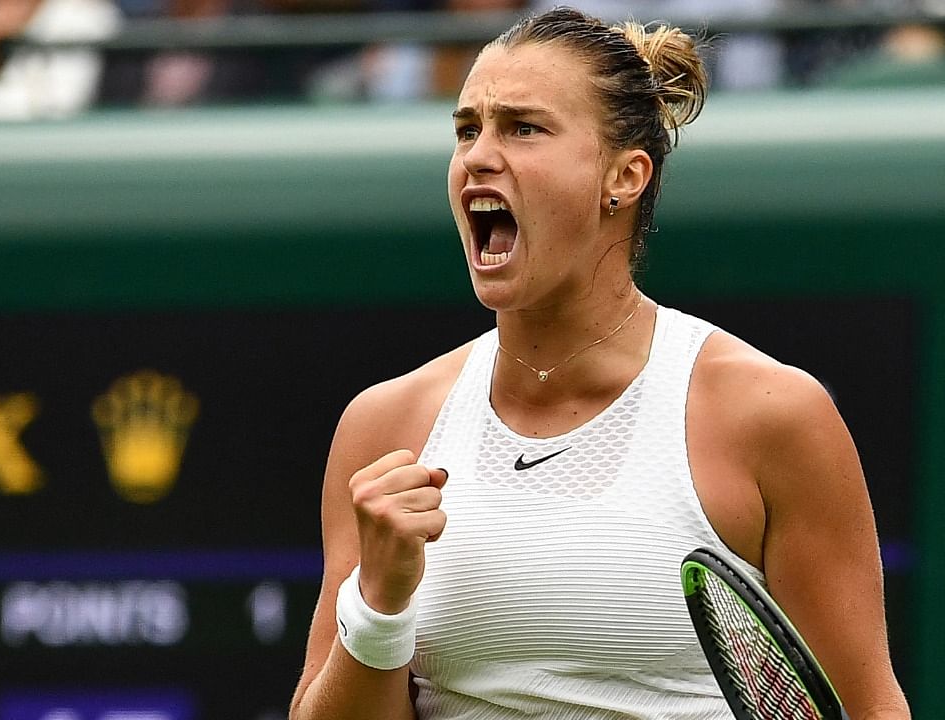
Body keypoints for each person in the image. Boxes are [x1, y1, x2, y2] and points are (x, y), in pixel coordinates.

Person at [289, 7, 911, 719]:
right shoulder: (385, 426)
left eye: (523, 128)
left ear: (625, 175)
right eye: (467, 130)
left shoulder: (769, 415)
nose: (478, 156)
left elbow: (869, 707)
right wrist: (380, 604)